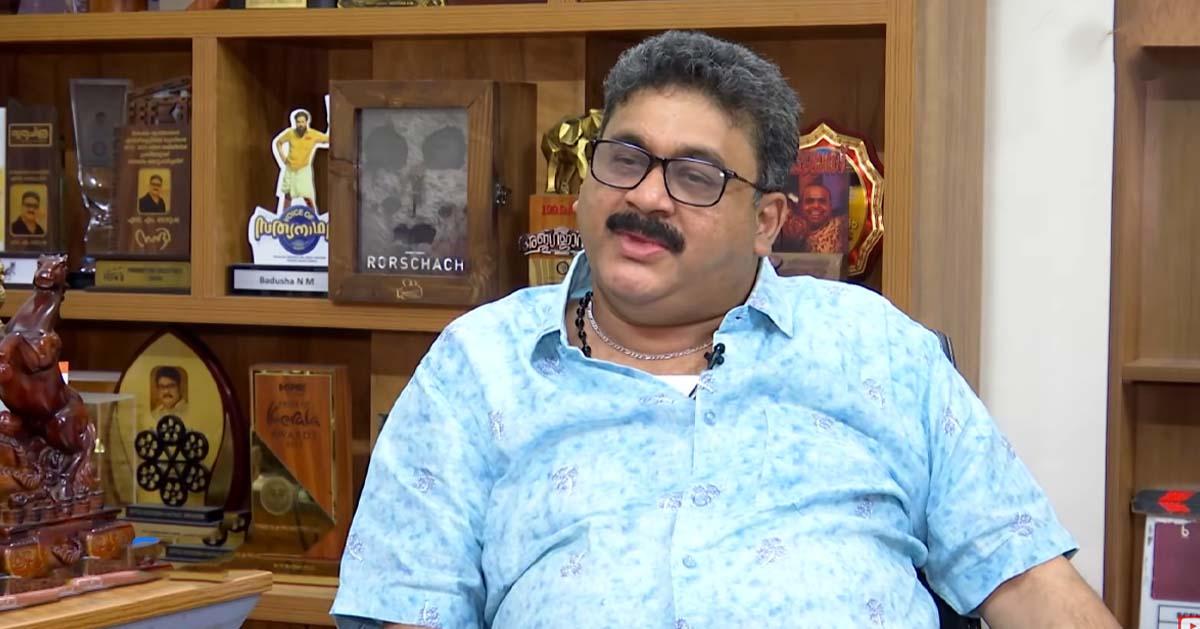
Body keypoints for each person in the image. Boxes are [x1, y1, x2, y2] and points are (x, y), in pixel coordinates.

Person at [331, 30, 1120, 629]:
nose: (647, 197)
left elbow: (1029, 581)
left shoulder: (879, 351)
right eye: (625, 159)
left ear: (767, 221)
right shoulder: (477, 369)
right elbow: (408, 610)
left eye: (695, 176)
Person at [273, 109, 329, 211]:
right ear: (295, 122)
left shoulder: (313, 134)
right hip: (290, 169)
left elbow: (327, 139)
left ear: (307, 122)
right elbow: (278, 143)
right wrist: (283, 158)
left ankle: (313, 216)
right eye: (298, 122)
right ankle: (284, 217)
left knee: (307, 196)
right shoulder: (290, 133)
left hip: (304, 169)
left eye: (302, 122)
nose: (300, 124)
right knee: (288, 195)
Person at [798, 181, 848, 253]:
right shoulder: (795, 236)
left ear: (830, 206)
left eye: (822, 201)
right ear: (800, 206)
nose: (816, 206)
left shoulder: (841, 226)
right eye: (810, 201)